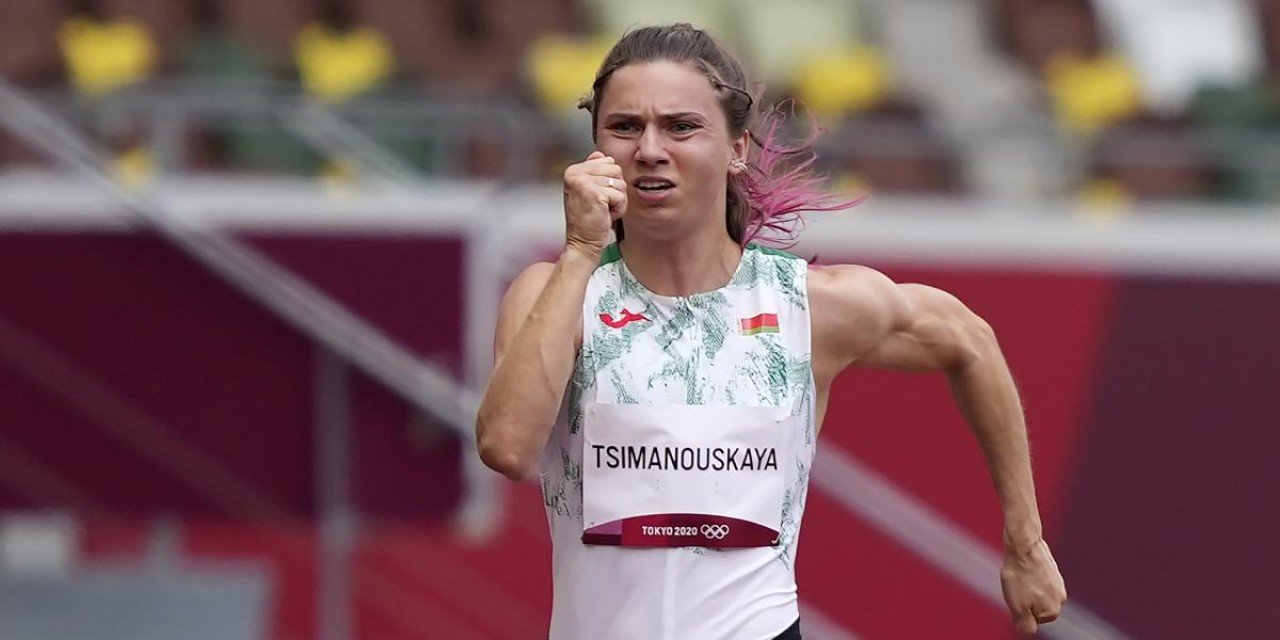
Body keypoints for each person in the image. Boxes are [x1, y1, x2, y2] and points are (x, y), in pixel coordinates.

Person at [475, 23, 1066, 640]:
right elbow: (507, 448)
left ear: (737, 149)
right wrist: (579, 249)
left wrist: (1025, 540)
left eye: (680, 126)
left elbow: (969, 340)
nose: (649, 149)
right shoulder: (556, 294)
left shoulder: (805, 304)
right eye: (624, 127)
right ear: (595, 150)